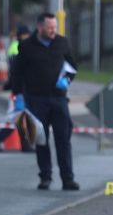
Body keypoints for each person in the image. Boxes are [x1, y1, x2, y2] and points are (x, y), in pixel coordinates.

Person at [10, 12, 79, 191]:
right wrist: (19, 96)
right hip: (36, 99)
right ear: (39, 27)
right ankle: (45, 177)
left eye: (55, 27)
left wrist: (67, 79)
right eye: (49, 28)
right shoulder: (26, 47)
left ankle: (67, 178)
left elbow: (72, 66)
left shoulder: (61, 43)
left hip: (59, 99)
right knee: (41, 139)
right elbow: (17, 73)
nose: (53, 31)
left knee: (63, 139)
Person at [0, 24, 34, 152]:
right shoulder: (19, 48)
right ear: (21, 35)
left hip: (21, 88)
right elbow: (17, 71)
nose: (28, 37)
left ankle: (23, 145)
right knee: (18, 119)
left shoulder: (22, 47)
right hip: (20, 90)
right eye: (26, 34)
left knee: (19, 119)